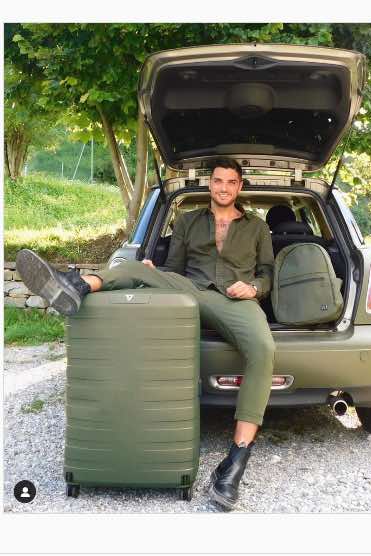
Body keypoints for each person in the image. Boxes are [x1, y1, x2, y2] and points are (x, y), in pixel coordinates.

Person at [16, 158, 275, 511]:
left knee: (263, 348)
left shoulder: (257, 227)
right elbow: (174, 270)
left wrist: (254, 287)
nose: (224, 188)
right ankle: (74, 286)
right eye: (218, 181)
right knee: (138, 267)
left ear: (239, 186)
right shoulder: (187, 221)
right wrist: (154, 273)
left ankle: (235, 461)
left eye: (231, 182)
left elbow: (267, 273)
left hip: (235, 299)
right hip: (191, 292)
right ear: (209, 183)